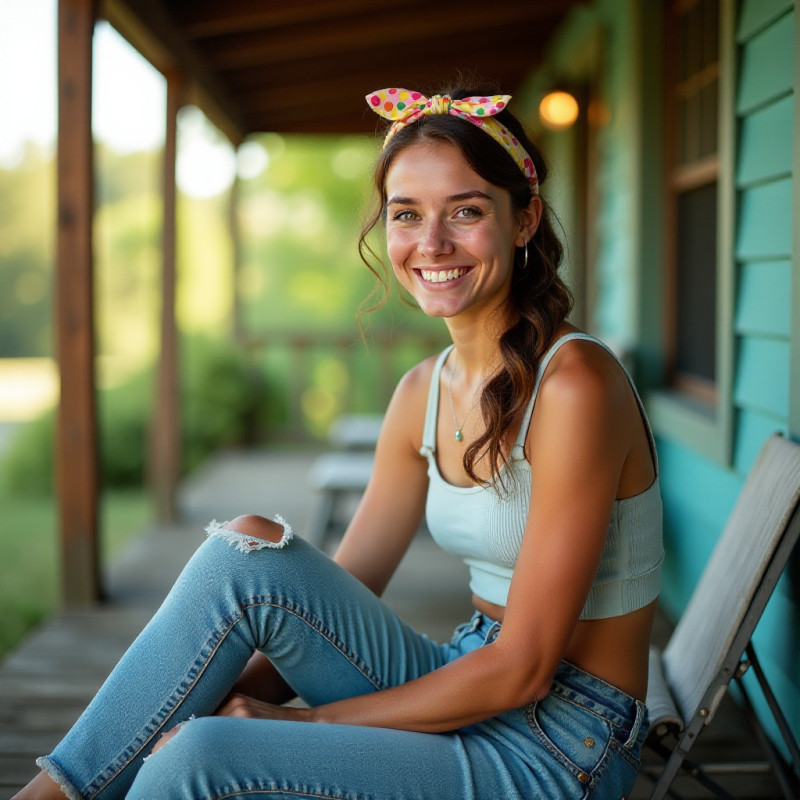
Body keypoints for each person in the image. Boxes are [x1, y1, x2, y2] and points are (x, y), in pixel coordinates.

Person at [15, 84, 663, 800]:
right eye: (407, 214)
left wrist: (307, 723)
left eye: (467, 211)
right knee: (249, 550)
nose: (432, 243)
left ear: (524, 221)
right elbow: (328, 598)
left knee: (198, 758)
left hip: (560, 740)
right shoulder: (425, 388)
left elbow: (524, 670)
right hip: (462, 673)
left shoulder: (576, 386)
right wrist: (208, 698)